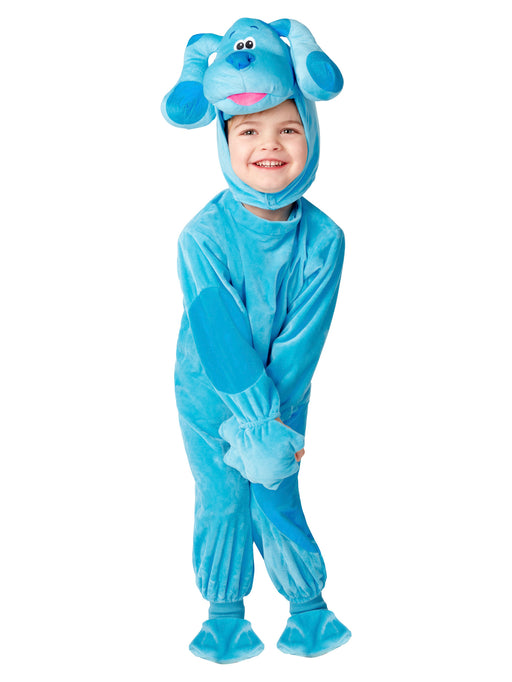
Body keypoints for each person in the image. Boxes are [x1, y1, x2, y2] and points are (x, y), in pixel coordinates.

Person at [162, 18, 351, 663]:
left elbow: (302, 343)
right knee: (222, 498)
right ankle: (224, 613)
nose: (269, 145)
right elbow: (217, 335)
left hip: (284, 396)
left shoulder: (324, 240)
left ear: (311, 135)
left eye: (288, 129)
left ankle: (308, 607)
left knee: (277, 490)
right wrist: (251, 423)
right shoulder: (202, 237)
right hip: (208, 397)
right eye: (248, 131)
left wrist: (271, 429)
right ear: (223, 140)